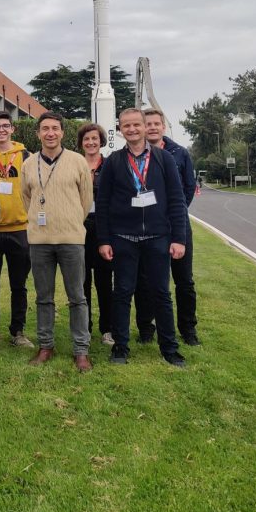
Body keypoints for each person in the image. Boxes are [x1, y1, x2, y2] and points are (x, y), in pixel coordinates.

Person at [96, 108, 188, 368]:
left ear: (145, 127)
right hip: (123, 238)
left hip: (158, 237)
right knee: (122, 293)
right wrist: (104, 239)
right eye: (127, 125)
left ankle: (169, 349)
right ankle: (120, 347)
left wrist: (178, 238)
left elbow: (177, 201)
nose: (133, 129)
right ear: (120, 128)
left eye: (137, 124)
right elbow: (102, 204)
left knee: (161, 293)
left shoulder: (163, 159)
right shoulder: (113, 161)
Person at [21, 112, 94, 372]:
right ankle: (45, 346)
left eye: (54, 128)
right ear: (38, 133)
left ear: (62, 132)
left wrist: (71, 220)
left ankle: (81, 350)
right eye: (45, 129)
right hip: (40, 240)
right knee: (44, 297)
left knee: (77, 297)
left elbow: (86, 200)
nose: (50, 133)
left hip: (71, 239)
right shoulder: (28, 164)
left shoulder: (77, 162)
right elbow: (26, 199)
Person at [135, 109, 200, 346]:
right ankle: (145, 327)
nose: (151, 127)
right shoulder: (135, 155)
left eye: (156, 124)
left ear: (163, 126)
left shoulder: (179, 153)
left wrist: (173, 214)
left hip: (177, 225)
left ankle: (188, 329)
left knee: (184, 280)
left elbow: (188, 188)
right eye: (147, 124)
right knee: (145, 280)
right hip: (148, 228)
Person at [0, 111, 34, 348]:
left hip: (20, 228)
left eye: (5, 126)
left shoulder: (26, 155)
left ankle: (18, 331)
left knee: (19, 285)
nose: (1, 130)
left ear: (13, 129)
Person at [77, 122, 114, 346]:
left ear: (101, 141)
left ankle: (107, 329)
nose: (91, 142)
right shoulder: (74, 165)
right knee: (82, 282)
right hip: (79, 227)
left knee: (104, 281)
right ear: (81, 143)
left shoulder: (111, 166)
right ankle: (85, 328)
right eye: (86, 139)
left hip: (104, 227)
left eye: (94, 138)